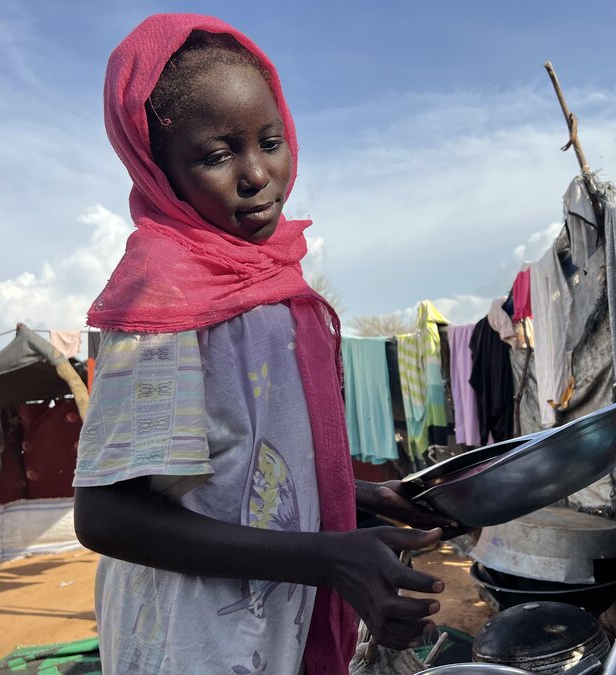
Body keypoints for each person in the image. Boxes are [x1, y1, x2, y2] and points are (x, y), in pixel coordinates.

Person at [73, 14, 457, 675]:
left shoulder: (274, 284)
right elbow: (105, 514)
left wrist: (354, 495)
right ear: (158, 168)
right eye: (217, 155)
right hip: (194, 641)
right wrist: (330, 558)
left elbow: (238, 458)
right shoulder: (159, 298)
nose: (256, 174)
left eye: (269, 141)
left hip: (275, 622)